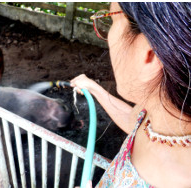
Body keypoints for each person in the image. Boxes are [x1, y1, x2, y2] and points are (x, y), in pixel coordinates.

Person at [70, 2, 191, 187]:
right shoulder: (157, 113)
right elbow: (132, 119)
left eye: (111, 20)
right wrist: (95, 88)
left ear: (148, 54)